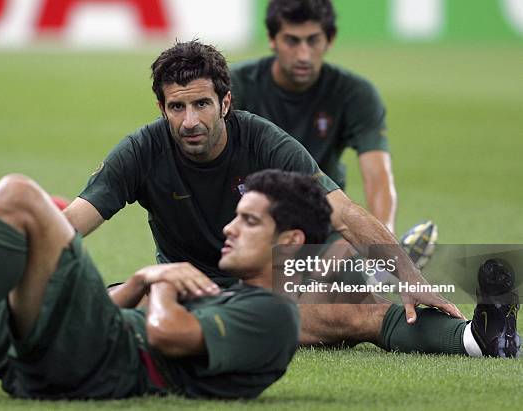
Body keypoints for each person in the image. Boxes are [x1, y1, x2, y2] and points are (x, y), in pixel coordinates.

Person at [61, 40, 461, 345]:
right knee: (100, 311)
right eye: (176, 108)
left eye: (202, 104)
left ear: (225, 102)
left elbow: (342, 213)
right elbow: (71, 225)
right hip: (188, 288)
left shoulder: (265, 142)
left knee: (352, 314)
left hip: (267, 284)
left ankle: (471, 338)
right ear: (161, 107)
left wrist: (411, 277)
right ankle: (357, 273)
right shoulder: (140, 150)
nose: (189, 122)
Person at [0, 170, 332, 399]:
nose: (230, 227)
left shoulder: (275, 315)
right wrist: (141, 281)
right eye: (237, 215)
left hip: (93, 363)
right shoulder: (234, 293)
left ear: (291, 241)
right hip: (62, 354)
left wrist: (162, 281)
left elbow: (165, 332)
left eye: (249, 220)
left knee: (18, 193)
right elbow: (112, 309)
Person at [231, 0, 395, 233]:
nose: (304, 55)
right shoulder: (234, 87)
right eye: (292, 40)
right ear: (271, 39)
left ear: (330, 39)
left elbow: (378, 177)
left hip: (321, 222)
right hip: (248, 219)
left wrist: (383, 249)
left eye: (313, 40)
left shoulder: (355, 93)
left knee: (341, 259)